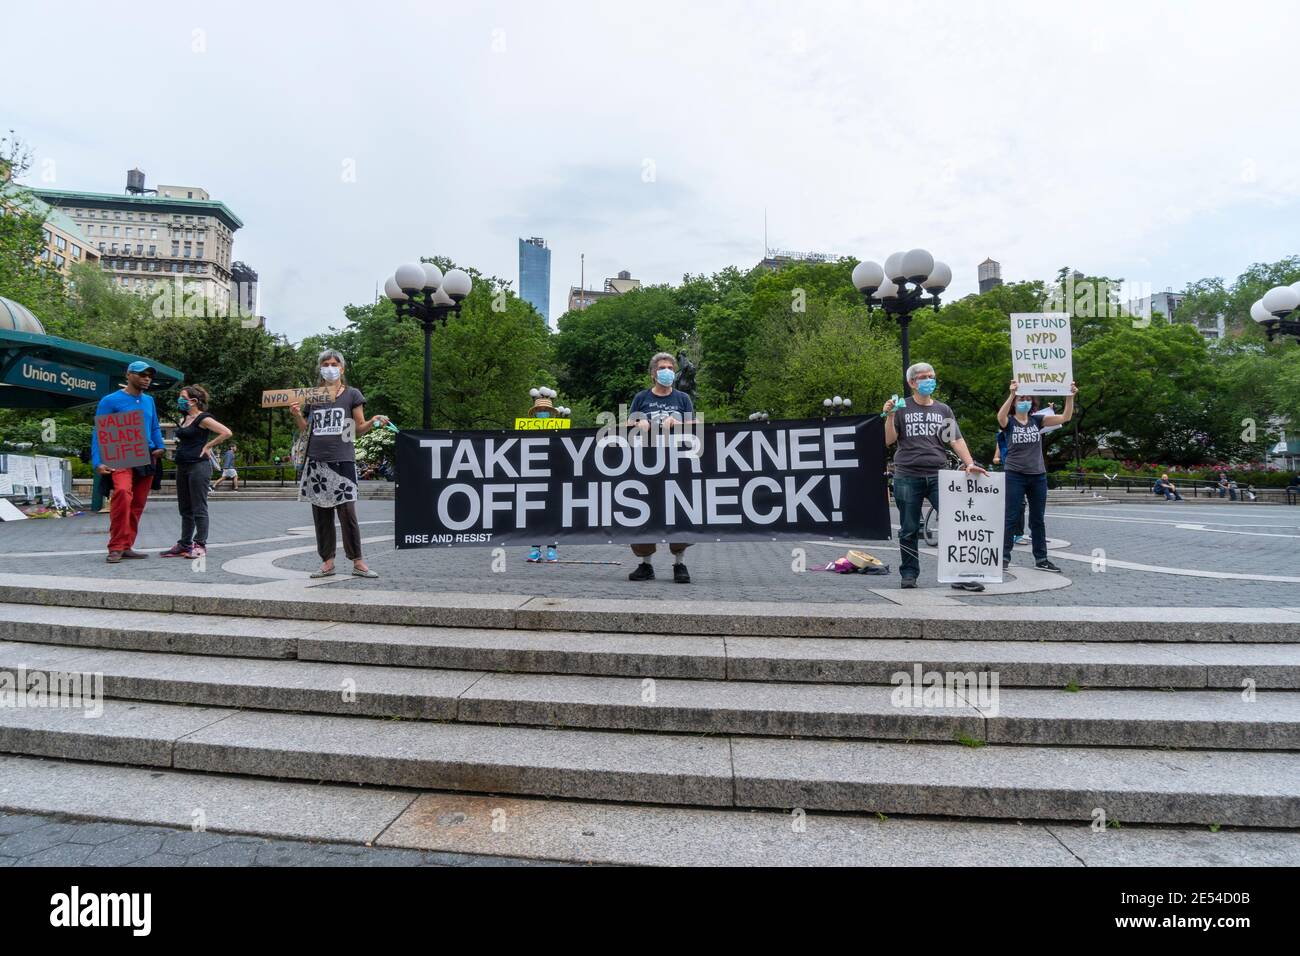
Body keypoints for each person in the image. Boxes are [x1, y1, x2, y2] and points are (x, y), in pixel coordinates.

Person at [883, 362, 989, 592]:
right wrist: (889, 416)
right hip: (907, 474)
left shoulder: (943, 410)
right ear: (912, 383)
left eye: (931, 376)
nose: (928, 380)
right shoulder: (901, 408)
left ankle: (961, 574)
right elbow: (889, 440)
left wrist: (969, 463)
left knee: (956, 524)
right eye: (923, 377)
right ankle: (909, 574)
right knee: (909, 528)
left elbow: (955, 439)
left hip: (939, 475)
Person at [289, 350, 389, 579]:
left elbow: (359, 427)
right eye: (326, 363)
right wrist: (295, 414)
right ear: (320, 368)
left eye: (334, 363)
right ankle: (327, 562)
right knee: (321, 515)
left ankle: (358, 561)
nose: (330, 367)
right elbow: (306, 429)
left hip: (343, 459)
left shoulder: (352, 394)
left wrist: (373, 421)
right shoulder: (314, 396)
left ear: (342, 368)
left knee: (348, 514)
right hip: (317, 462)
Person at [625, 351, 694, 584]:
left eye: (670, 368)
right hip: (646, 467)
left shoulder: (683, 399)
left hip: (677, 466)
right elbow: (625, 425)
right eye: (662, 368)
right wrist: (638, 422)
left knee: (680, 512)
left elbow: (696, 427)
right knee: (644, 513)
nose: (667, 372)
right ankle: (646, 566)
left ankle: (679, 564)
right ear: (653, 373)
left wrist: (680, 423)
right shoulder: (641, 397)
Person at [91, 361, 166, 564]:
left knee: (138, 504)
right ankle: (115, 546)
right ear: (128, 375)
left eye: (149, 375)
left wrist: (160, 446)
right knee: (123, 495)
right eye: (142, 374)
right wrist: (98, 462)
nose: (147, 378)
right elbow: (99, 432)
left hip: (148, 457)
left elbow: (155, 427)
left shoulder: (149, 400)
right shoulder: (110, 400)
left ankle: (126, 546)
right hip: (121, 457)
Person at [997, 381, 1076, 573]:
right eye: (1020, 399)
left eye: (1027, 399)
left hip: (1038, 475)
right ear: (1015, 403)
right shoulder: (1009, 422)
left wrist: (1069, 395)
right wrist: (1011, 394)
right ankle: (1003, 558)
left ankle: (1041, 558)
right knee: (1011, 517)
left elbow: (1065, 417)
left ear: (1032, 402)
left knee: (1037, 519)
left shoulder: (1037, 420)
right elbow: (1000, 417)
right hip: (1014, 474)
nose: (1024, 401)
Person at [160, 385, 232, 559]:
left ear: (193, 401)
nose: (180, 400)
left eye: (183, 397)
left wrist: (208, 446)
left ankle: (200, 544)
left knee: (199, 507)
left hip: (198, 466)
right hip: (182, 466)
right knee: (185, 508)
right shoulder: (185, 418)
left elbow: (226, 432)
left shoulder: (203, 418)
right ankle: (184, 543)